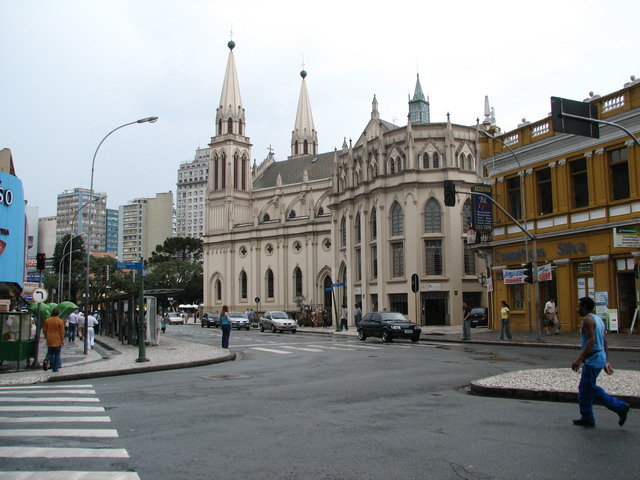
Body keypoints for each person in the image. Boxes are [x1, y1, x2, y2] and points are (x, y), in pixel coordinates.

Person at [571, 296, 630, 428]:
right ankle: (587, 417)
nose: (577, 308)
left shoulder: (587, 320)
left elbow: (592, 341)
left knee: (589, 387)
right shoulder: (599, 319)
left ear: (585, 307)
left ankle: (620, 406)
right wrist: (606, 361)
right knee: (584, 389)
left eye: (578, 306)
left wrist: (579, 359)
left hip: (593, 359)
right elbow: (604, 341)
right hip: (599, 357)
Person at [42, 307, 65, 372]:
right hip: (57, 339)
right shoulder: (60, 321)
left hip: (49, 339)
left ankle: (46, 360)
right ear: (58, 313)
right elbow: (62, 332)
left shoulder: (47, 320)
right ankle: (55, 369)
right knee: (57, 354)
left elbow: (44, 330)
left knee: (50, 353)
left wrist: (46, 337)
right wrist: (62, 340)